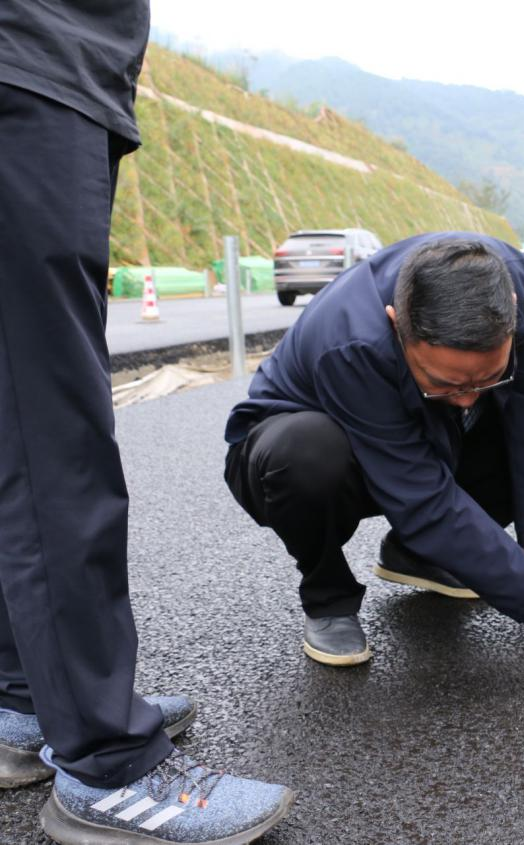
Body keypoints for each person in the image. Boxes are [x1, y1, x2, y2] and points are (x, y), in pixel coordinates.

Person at [0, 3, 294, 843]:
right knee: (51, 428)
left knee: (16, 410)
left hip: (55, 69)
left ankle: (27, 697)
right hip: (28, 66)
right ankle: (105, 758)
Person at [223, 233, 524, 699]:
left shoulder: (515, 280)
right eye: (446, 381)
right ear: (398, 326)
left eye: (490, 376)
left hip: (426, 432)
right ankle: (327, 596)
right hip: (316, 449)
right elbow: (422, 497)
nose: (470, 398)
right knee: (308, 453)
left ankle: (419, 556)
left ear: (511, 311)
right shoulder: (352, 340)